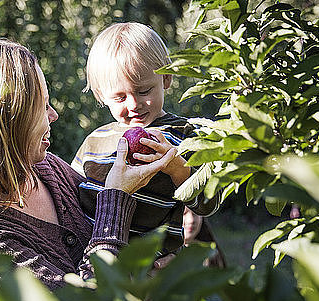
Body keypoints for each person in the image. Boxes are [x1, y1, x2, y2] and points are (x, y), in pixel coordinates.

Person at [0, 38, 179, 298]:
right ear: (8, 124)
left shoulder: (45, 168)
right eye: (42, 107)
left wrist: (170, 257)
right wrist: (117, 196)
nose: (54, 115)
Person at [71, 22, 219, 260]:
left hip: (154, 264)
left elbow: (208, 203)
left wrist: (177, 169)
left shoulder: (184, 135)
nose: (133, 105)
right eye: (119, 97)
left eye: (144, 91)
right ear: (101, 96)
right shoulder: (95, 141)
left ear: (166, 79)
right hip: (101, 259)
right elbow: (69, 196)